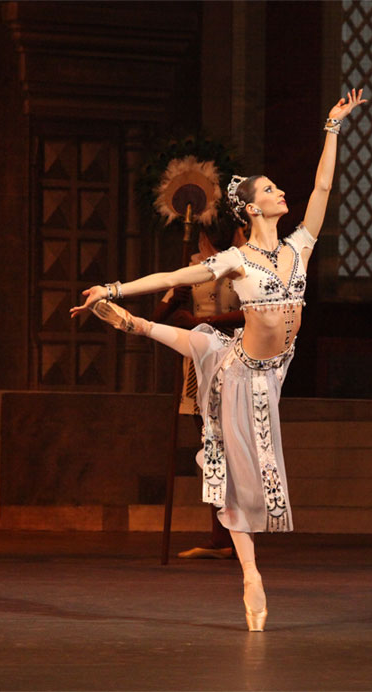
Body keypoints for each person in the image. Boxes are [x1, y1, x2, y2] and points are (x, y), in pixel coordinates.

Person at [71, 89, 367, 631]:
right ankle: (251, 575)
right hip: (239, 378)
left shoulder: (300, 244)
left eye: (279, 187)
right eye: (272, 189)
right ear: (253, 206)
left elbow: (325, 185)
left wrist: (332, 125)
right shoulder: (233, 260)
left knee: (203, 346)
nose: (283, 193)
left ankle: (133, 324)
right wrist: (114, 285)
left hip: (273, 376)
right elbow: (170, 278)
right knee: (234, 475)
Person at [152, 224, 246, 560]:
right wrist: (176, 299)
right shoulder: (192, 268)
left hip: (233, 357)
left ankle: (233, 532)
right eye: (210, 234)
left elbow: (253, 315)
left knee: (230, 447)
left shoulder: (244, 265)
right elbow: (158, 316)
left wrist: (200, 323)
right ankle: (221, 536)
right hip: (198, 361)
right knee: (210, 446)